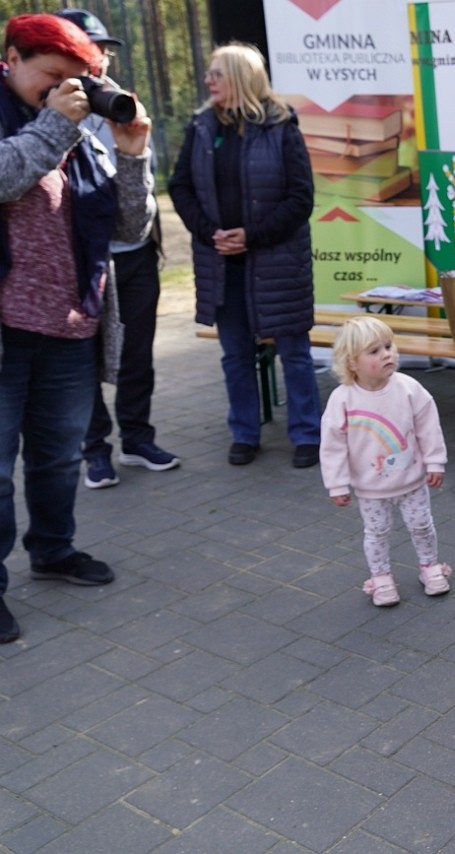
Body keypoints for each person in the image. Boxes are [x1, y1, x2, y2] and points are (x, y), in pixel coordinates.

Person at [0, 13, 154, 643]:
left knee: (59, 457)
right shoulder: (54, 126)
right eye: (53, 76)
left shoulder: (82, 135)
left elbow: (127, 230)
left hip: (68, 326)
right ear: (11, 56)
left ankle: (53, 550)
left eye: (77, 80)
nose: (65, 90)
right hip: (6, 331)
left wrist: (132, 152)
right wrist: (56, 123)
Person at [168, 42, 322, 469]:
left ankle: (307, 433)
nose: (208, 80)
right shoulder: (200, 126)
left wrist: (250, 236)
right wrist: (209, 232)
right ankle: (244, 433)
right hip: (222, 265)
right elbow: (179, 186)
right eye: (209, 73)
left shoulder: (281, 125)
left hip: (277, 267)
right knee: (234, 354)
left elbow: (300, 198)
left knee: (294, 353)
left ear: (240, 76)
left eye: (217, 73)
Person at [53, 8, 177, 489]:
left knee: (138, 353)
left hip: (136, 250)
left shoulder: (121, 101)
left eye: (104, 49)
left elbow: (143, 172)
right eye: (91, 49)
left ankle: (138, 439)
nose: (101, 58)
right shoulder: (48, 107)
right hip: (83, 261)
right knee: (84, 359)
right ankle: (95, 451)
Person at [320, 316, 452, 606]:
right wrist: (337, 484)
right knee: (377, 532)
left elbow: (428, 427)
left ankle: (429, 566)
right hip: (371, 488)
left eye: (389, 346)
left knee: (421, 524)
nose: (387, 354)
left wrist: (434, 462)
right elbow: (333, 446)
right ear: (352, 363)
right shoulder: (342, 399)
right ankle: (380, 577)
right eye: (375, 351)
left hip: (412, 480)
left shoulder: (408, 388)